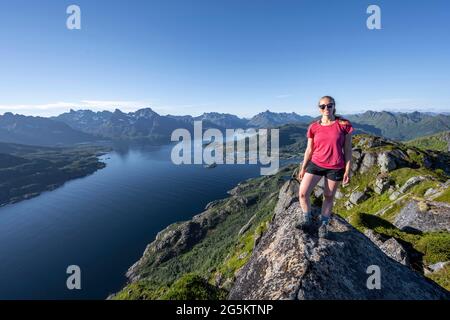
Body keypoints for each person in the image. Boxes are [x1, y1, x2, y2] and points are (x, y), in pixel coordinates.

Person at [295, 96, 353, 239]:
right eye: (323, 106)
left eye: (329, 105)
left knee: (328, 196)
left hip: (336, 166)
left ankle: (324, 225)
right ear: (319, 108)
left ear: (334, 107)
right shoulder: (313, 127)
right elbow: (309, 149)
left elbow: (348, 149)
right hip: (316, 164)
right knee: (302, 193)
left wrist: (347, 170)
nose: (326, 108)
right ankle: (307, 220)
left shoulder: (344, 125)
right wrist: (303, 167)